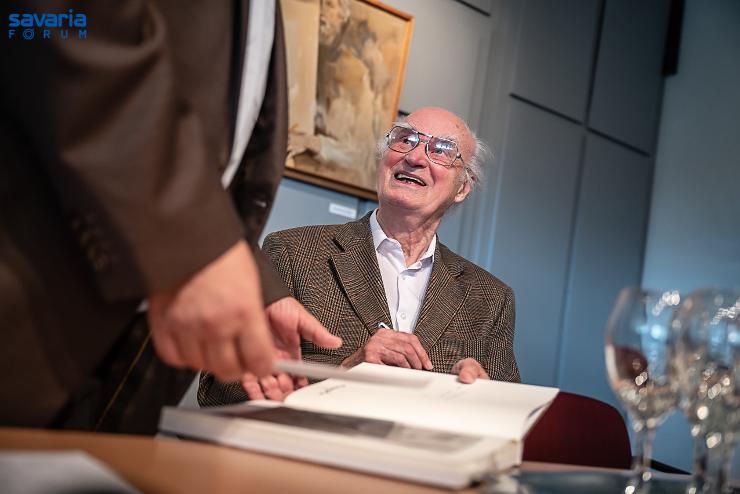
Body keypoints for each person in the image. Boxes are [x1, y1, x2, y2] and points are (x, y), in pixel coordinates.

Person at [0, 0, 339, 433]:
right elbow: (66, 24)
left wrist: (254, 286)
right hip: (35, 287)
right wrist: (195, 250)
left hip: (144, 351)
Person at [199, 107, 520, 405]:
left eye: (441, 150)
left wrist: (480, 398)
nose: (414, 157)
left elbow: (509, 416)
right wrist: (345, 372)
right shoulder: (293, 253)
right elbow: (219, 389)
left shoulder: (491, 299)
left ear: (462, 188)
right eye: (405, 139)